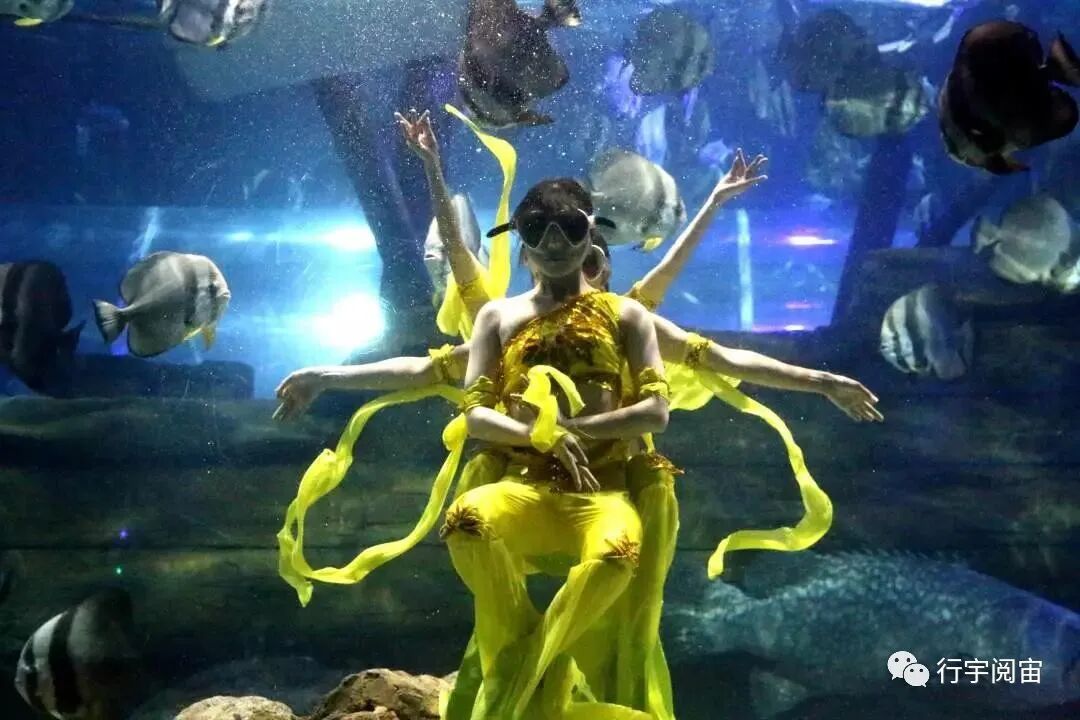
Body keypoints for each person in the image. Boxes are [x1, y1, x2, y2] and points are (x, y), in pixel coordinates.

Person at [274, 107, 882, 720]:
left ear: (593, 241)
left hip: (605, 488)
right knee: (468, 523)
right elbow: (442, 315)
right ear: (525, 244)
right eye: (540, 233)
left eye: (574, 237)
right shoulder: (503, 320)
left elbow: (711, 347)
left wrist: (820, 379)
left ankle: (538, 674)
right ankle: (529, 672)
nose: (559, 248)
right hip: (522, 486)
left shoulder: (627, 315)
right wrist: (326, 375)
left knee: (618, 568)